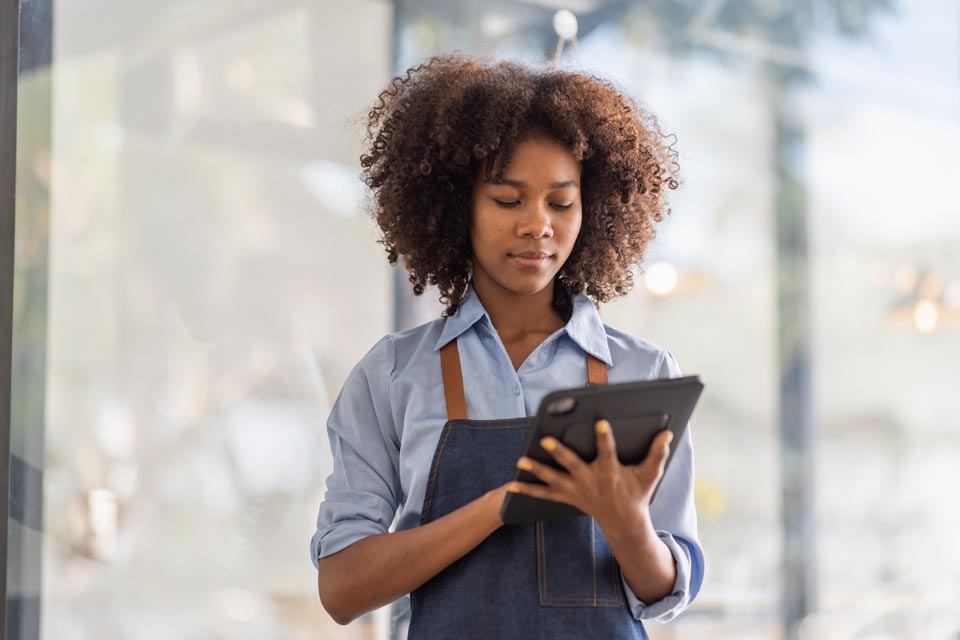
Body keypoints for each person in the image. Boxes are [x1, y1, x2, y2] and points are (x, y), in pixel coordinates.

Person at [310, 52, 704, 639]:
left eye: (561, 202)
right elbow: (343, 589)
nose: (538, 225)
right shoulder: (394, 376)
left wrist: (627, 527)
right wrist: (501, 505)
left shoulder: (642, 372)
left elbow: (667, 589)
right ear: (453, 204)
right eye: (507, 199)